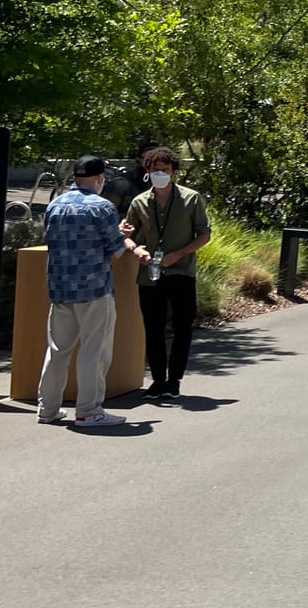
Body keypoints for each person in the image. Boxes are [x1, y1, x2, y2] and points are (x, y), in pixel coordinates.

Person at [39, 155, 142, 428]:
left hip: (60, 288)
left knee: (57, 351)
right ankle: (88, 410)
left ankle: (47, 409)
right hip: (94, 288)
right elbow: (116, 251)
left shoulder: (55, 204)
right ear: (99, 178)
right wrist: (119, 232)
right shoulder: (102, 207)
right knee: (93, 351)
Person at [122, 145, 212, 400]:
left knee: (183, 326)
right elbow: (127, 236)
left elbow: (204, 234)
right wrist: (136, 249)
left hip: (181, 272)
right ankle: (158, 380)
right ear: (147, 171)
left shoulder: (191, 198)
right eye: (155, 170)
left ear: (173, 172)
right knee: (153, 327)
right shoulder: (139, 202)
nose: (160, 173)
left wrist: (179, 254)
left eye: (165, 170)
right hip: (149, 275)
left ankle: (175, 380)